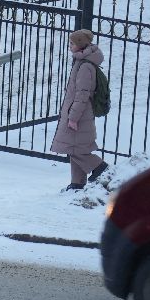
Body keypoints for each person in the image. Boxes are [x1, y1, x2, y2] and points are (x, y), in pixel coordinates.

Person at [51, 28, 109, 191]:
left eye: (72, 43)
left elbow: (83, 94)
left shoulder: (85, 67)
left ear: (81, 45)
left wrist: (73, 117)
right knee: (74, 147)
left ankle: (100, 167)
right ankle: (77, 182)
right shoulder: (81, 61)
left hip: (79, 114)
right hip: (77, 113)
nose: (69, 46)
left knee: (76, 149)